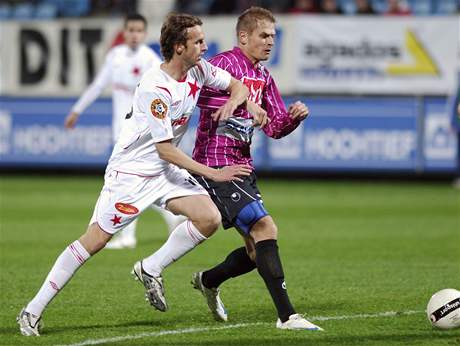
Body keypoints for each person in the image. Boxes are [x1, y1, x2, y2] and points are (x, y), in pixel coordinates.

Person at [17, 12, 255, 336]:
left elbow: (237, 85)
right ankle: (32, 311)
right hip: (131, 173)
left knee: (209, 218)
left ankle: (151, 267)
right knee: (96, 240)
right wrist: (213, 174)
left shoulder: (199, 70)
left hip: (164, 171)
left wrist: (241, 104)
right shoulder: (156, 88)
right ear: (178, 46)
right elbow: (166, 149)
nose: (204, 45)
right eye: (197, 41)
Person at [190, 7, 323, 330]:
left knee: (255, 251)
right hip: (215, 162)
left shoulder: (264, 76)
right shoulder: (222, 64)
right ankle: (287, 316)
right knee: (266, 228)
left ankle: (208, 279)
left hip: (242, 166)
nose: (270, 42)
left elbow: (274, 127)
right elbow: (194, 97)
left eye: (274, 36)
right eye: (264, 35)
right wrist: (237, 100)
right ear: (244, 36)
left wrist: (292, 118)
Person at [64, 13, 186, 249]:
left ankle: (128, 236)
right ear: (124, 31)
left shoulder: (151, 60)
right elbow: (98, 85)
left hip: (140, 133)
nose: (134, 34)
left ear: (144, 33)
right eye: (130, 29)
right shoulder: (115, 56)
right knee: (134, 182)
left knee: (127, 182)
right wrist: (77, 110)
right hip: (118, 129)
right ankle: (172, 217)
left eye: (139, 30)